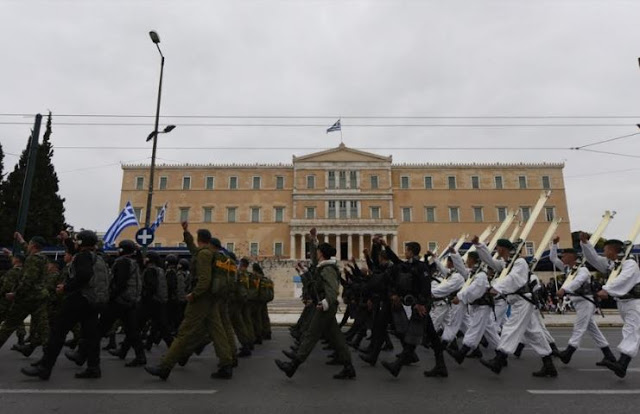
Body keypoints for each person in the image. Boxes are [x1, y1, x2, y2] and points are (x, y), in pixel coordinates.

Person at [145, 223, 235, 380]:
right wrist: (186, 233)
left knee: (184, 332)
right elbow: (194, 249)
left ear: (200, 239)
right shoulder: (209, 253)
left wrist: (194, 294)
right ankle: (226, 364)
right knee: (217, 331)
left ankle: (164, 367)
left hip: (202, 299)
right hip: (212, 298)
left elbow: (205, 279)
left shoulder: (204, 255)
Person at [22, 230, 107, 380]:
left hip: (79, 299)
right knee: (91, 336)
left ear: (81, 243)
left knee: (57, 332)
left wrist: (66, 288)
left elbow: (84, 275)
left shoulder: (82, 257)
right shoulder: (98, 258)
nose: (75, 243)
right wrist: (67, 239)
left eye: (76, 241)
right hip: (93, 301)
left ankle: (45, 367)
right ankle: (94, 368)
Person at [275, 231, 355, 380]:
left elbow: (332, 289)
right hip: (327, 307)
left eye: (318, 252)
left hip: (325, 307)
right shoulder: (324, 267)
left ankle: (292, 366)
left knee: (311, 335)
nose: (316, 254)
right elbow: (314, 259)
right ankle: (348, 367)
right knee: (337, 338)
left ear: (322, 254)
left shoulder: (328, 270)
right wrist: (313, 242)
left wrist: (325, 303)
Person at [477, 238, 558, 377]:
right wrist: (479, 246)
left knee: (510, 328)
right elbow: (489, 261)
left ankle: (499, 360)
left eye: (498, 248)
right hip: (519, 301)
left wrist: (497, 288)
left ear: (503, 248)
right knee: (534, 333)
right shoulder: (507, 264)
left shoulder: (519, 262)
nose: (496, 250)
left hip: (523, 300)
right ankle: (548, 364)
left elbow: (514, 278)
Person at [379, 240, 448, 378]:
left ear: (411, 251)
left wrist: (421, 304)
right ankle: (441, 366)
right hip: (417, 304)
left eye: (406, 250)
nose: (405, 252)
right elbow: (397, 262)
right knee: (432, 336)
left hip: (421, 305)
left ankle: (397, 366)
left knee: (413, 336)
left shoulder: (421, 267)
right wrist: (386, 246)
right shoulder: (409, 265)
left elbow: (426, 286)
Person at [551, 236, 614, 366]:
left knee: (579, 328)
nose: (562, 258)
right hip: (578, 302)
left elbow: (578, 281)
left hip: (586, 302)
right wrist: (554, 245)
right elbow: (553, 259)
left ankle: (568, 353)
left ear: (572, 257)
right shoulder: (568, 269)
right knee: (593, 330)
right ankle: (609, 355)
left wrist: (564, 289)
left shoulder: (582, 270)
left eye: (565, 256)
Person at [583, 235, 640, 378]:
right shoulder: (613, 265)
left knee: (631, 330)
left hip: (634, 302)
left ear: (612, 250)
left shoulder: (629, 263)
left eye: (605, 249)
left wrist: (607, 289)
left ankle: (622, 364)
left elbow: (624, 278)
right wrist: (586, 244)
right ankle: (622, 365)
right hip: (623, 303)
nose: (604, 253)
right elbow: (594, 259)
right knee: (633, 331)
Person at [447, 250, 501, 364]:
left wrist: (460, 297)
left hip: (483, 307)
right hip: (479, 307)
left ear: (472, 260)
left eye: (468, 259)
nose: (466, 261)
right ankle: (501, 356)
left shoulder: (481, 275)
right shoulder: (474, 273)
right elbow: (461, 269)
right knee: (491, 334)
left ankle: (461, 354)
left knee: (474, 329)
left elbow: (473, 290)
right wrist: (455, 255)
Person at [0, 234, 49, 357]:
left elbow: (27, 281)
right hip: (40, 298)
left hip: (27, 299)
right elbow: (29, 253)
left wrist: (15, 294)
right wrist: (21, 241)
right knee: (44, 330)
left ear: (33, 245)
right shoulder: (42, 258)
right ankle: (47, 360)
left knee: (8, 326)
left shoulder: (33, 259)